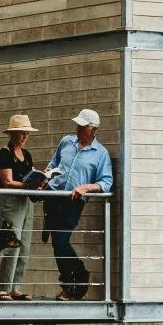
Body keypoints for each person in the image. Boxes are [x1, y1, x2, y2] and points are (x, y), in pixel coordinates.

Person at [42, 109, 114, 300]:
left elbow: (106, 183)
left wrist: (86, 187)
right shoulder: (66, 141)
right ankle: (69, 285)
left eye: (82, 126)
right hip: (52, 196)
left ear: (93, 130)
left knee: (61, 242)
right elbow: (54, 163)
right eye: (78, 125)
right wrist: (46, 174)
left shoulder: (101, 154)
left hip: (72, 202)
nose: (78, 129)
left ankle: (79, 276)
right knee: (57, 245)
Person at [0, 114, 40, 300]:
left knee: (25, 245)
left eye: (26, 133)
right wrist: (29, 185)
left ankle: (15, 287)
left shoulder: (27, 154)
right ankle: (2, 288)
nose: (25, 137)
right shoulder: (4, 153)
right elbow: (8, 182)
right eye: (21, 133)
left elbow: (30, 175)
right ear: (12, 134)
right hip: (10, 202)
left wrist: (40, 181)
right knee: (12, 243)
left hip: (26, 201)